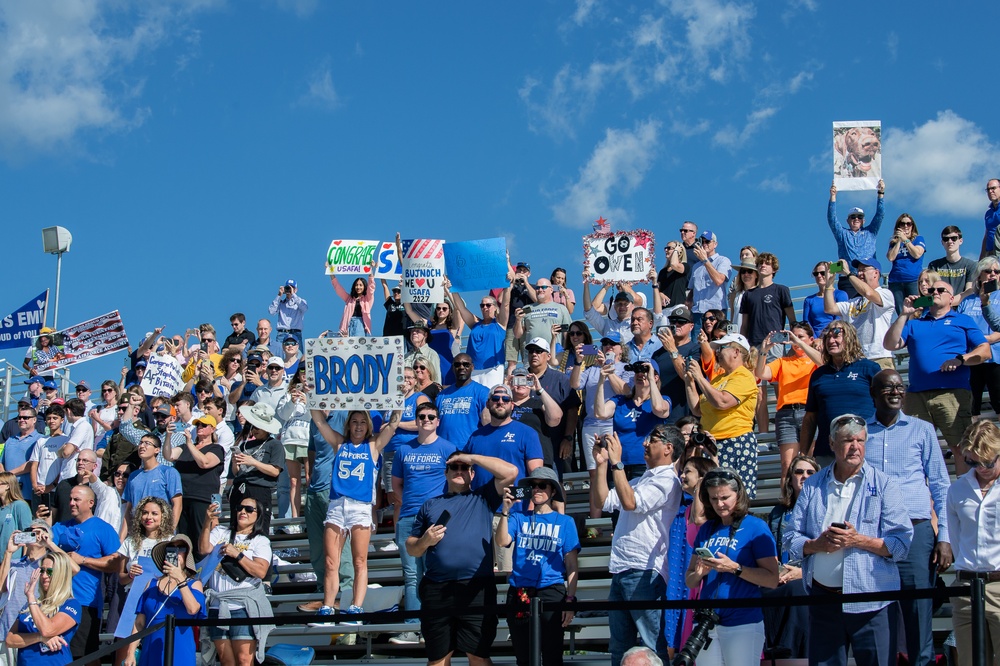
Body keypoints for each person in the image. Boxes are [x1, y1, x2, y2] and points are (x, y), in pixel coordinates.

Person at [785, 414, 913, 666]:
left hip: (872, 601)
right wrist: (815, 545)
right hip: (823, 601)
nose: (855, 446)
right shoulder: (812, 486)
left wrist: (858, 540)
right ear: (831, 444)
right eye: (847, 440)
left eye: (860, 440)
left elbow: (901, 545)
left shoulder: (885, 485)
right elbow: (790, 539)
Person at [865, 369, 952, 666]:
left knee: (918, 616)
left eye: (900, 387)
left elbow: (941, 486)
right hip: (875, 536)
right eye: (888, 387)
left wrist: (944, 538)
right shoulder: (862, 434)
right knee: (880, 617)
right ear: (873, 393)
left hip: (916, 532)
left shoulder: (923, 429)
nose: (896, 392)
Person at [406, 452, 518, 666]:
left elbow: (511, 472)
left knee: (478, 656)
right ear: (446, 473)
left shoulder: (484, 497)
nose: (459, 471)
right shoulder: (429, 505)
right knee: (438, 659)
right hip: (437, 588)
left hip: (477, 588)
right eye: (454, 467)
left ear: (472, 474)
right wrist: (425, 541)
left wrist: (470, 457)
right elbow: (412, 548)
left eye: (464, 468)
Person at [591, 426, 682, 666]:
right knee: (619, 647)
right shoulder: (641, 479)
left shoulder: (668, 480)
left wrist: (617, 462)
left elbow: (631, 503)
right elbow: (603, 500)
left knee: (652, 644)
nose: (644, 444)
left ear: (668, 448)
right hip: (622, 568)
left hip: (645, 569)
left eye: (651, 439)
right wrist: (601, 464)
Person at [883, 280, 991, 474]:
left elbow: (984, 351)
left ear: (952, 298)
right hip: (917, 396)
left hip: (951, 393)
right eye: (931, 290)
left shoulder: (962, 320)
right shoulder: (915, 323)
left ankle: (963, 497)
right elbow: (890, 344)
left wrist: (961, 359)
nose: (935, 292)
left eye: (941, 290)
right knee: (916, 450)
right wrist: (904, 315)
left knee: (960, 447)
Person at [309, 409, 400, 622]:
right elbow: (320, 422)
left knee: (359, 560)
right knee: (331, 562)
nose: (358, 426)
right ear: (348, 425)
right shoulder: (339, 444)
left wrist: (399, 401)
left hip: (360, 507)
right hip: (337, 505)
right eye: (354, 422)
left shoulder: (373, 446)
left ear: (368, 425)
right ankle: (327, 606)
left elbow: (394, 424)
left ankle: (356, 606)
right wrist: (311, 398)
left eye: (362, 422)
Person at [685, 467, 779, 666]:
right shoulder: (706, 530)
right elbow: (690, 580)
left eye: (725, 497)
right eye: (713, 499)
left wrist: (735, 568)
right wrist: (700, 573)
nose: (719, 504)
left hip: (743, 620)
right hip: (706, 621)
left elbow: (772, 579)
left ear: (739, 494)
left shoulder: (756, 526)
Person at [496, 467, 580, 666]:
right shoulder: (518, 517)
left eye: (543, 485)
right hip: (519, 591)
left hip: (552, 590)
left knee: (552, 656)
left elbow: (571, 564)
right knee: (523, 657)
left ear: (552, 492)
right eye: (533, 486)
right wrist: (505, 511)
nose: (537, 490)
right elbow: (501, 541)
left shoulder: (565, 522)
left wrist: (570, 599)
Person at [390, 402, 456, 645]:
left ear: (438, 421)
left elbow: (455, 482)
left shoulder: (448, 448)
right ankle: (412, 627)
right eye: (422, 416)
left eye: (431, 416)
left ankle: (435, 626)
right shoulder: (404, 450)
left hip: (436, 519)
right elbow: (396, 483)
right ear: (416, 420)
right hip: (408, 517)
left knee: (433, 573)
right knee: (411, 575)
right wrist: (409, 502)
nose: (426, 419)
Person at [464, 384, 544, 572]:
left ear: (512, 405)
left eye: (505, 399)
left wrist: (531, 510)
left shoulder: (526, 432)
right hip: (480, 515)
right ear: (488, 403)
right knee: (479, 574)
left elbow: (537, 477)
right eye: (496, 398)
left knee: (509, 573)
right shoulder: (476, 436)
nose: (500, 402)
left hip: (513, 515)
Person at [947, 420, 1000, 665]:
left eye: (987, 462)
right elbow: (956, 539)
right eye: (972, 461)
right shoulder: (957, 490)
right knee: (969, 661)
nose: (980, 468)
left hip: (999, 584)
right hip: (966, 586)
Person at [200, 496, 274, 666]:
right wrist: (207, 522)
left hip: (243, 606)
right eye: (240, 508)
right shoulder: (221, 532)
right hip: (218, 605)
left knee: (244, 660)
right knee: (226, 661)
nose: (243, 512)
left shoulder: (260, 540)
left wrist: (238, 554)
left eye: (249, 509)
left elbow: (261, 571)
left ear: (258, 515)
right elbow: (204, 549)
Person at [50, 485, 121, 663]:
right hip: (57, 600)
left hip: (85, 601)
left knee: (85, 655)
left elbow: (116, 564)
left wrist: (83, 560)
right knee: (58, 653)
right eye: (70, 499)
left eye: (76, 499)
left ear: (91, 503)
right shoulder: (60, 527)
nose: (71, 503)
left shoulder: (102, 528)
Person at [684, 332, 760, 496]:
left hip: (735, 442)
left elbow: (722, 402)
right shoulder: (719, 379)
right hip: (713, 443)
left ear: (736, 352)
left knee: (733, 496)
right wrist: (689, 382)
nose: (717, 352)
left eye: (722, 347)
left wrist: (699, 377)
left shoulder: (744, 376)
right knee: (713, 496)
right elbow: (698, 409)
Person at [799, 322, 880, 467]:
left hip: (865, 451)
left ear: (849, 338)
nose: (831, 341)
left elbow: (883, 408)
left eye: (837, 336)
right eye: (827, 338)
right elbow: (810, 418)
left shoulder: (869, 368)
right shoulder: (819, 375)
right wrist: (803, 454)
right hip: (827, 452)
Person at [763, 454, 819, 660]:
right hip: (782, 574)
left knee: (797, 590)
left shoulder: (824, 510)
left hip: (813, 575)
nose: (804, 476)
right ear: (790, 479)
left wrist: (802, 572)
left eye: (810, 472)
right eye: (799, 472)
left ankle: (795, 654)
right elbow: (770, 551)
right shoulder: (778, 513)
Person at [0, 521, 79, 665]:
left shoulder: (50, 564)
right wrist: (8, 552)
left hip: (38, 624)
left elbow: (73, 568)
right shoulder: (14, 563)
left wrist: (49, 544)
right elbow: (0, 588)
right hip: (11, 630)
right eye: (31, 531)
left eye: (40, 531)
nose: (44, 575)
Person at [122, 534, 206, 666]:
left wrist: (180, 580)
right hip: (151, 647)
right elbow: (139, 622)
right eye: (172, 549)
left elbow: (192, 609)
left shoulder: (194, 584)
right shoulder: (151, 584)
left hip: (180, 648)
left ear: (187, 555)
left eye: (181, 549)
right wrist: (130, 652)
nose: (177, 553)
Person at [571, 332, 629, 518]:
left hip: (613, 424)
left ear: (621, 348)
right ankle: (594, 525)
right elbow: (575, 384)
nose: (609, 347)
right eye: (605, 343)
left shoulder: (626, 368)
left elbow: (626, 391)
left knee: (615, 471)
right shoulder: (591, 369)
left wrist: (608, 369)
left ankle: (618, 516)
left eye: (613, 344)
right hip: (590, 425)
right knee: (594, 475)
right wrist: (579, 362)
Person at [754, 324, 819, 480]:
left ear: (811, 339)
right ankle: (788, 503)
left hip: (809, 412)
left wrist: (800, 342)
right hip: (786, 414)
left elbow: (824, 363)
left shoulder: (815, 360)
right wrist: (764, 350)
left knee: (812, 463)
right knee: (787, 466)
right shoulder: (783, 361)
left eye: (800, 336)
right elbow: (761, 373)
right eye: (792, 337)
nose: (795, 340)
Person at [594, 361, 669, 479]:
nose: (640, 374)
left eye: (645, 371)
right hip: (618, 462)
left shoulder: (663, 400)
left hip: (646, 463)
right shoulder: (620, 400)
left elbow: (659, 409)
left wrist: (650, 379)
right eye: (637, 372)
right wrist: (601, 381)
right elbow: (600, 413)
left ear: (655, 377)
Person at [166, 415, 224, 552]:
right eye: (198, 425)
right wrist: (168, 437)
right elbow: (168, 455)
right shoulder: (186, 447)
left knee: (199, 537)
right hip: (182, 498)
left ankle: (200, 568)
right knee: (183, 539)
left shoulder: (216, 448)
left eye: (204, 425)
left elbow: (205, 463)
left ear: (212, 429)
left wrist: (190, 444)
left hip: (201, 499)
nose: (200, 427)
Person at [824, 257, 895, 368]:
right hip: (856, 358)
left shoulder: (885, 294)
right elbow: (830, 308)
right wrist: (829, 284)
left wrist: (847, 273)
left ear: (876, 273)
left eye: (863, 270)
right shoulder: (854, 302)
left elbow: (868, 293)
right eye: (858, 270)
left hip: (879, 356)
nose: (859, 273)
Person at [956, 256, 1000, 418]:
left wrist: (984, 340)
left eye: (997, 271)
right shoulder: (967, 301)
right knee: (970, 408)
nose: (993, 274)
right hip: (971, 358)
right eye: (988, 271)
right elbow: (958, 328)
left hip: (995, 357)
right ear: (979, 275)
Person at [230, 403, 284, 533]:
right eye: (252, 426)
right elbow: (237, 472)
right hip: (241, 487)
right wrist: (235, 462)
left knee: (259, 528)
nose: (254, 430)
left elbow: (275, 471)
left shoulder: (275, 445)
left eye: (258, 427)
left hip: (259, 489)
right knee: (236, 527)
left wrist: (254, 462)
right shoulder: (245, 445)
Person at [827, 179, 886, 297]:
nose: (856, 219)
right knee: (850, 311)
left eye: (859, 217)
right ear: (848, 220)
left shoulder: (871, 232)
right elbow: (832, 219)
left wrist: (881, 194)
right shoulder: (842, 234)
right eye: (853, 217)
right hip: (848, 279)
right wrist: (833, 196)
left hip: (868, 277)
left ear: (863, 220)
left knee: (870, 309)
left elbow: (880, 215)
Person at [451, 286, 510, 387]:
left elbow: (505, 305)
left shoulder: (500, 323)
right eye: (482, 305)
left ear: (495, 307)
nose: (485, 308)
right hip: (473, 369)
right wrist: (452, 289)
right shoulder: (475, 323)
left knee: (491, 397)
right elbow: (461, 308)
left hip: (493, 368)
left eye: (488, 305)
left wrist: (508, 287)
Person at [122, 433, 182, 531]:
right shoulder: (133, 476)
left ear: (157, 450)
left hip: (161, 531)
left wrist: (170, 531)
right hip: (138, 533)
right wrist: (122, 537)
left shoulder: (168, 472)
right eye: (140, 443)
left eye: (147, 443)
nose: (142, 446)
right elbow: (129, 509)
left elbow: (177, 504)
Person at [652, 306, 701, 422]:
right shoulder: (657, 354)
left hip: (686, 416)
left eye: (682, 322)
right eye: (673, 321)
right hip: (662, 415)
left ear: (691, 326)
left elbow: (688, 377)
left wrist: (673, 350)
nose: (677, 324)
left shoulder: (696, 350)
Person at [740, 252, 795, 349]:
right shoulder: (748, 294)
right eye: (760, 263)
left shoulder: (781, 290)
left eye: (767, 263)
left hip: (775, 342)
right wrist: (742, 345)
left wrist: (794, 345)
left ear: (774, 269)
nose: (763, 265)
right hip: (754, 344)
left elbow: (792, 320)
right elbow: (744, 325)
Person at [435, 354, 490, 448]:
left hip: (470, 450)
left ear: (472, 367)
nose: (461, 367)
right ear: (452, 368)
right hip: (444, 450)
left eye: (466, 364)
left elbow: (488, 425)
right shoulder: (442, 395)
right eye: (457, 365)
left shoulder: (483, 392)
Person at [513, 277, 571, 353]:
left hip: (554, 354)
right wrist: (518, 320)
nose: (540, 290)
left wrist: (568, 352)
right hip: (532, 355)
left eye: (543, 287)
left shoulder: (561, 308)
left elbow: (568, 333)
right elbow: (517, 335)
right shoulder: (526, 308)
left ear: (551, 290)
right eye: (537, 287)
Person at [688, 231, 732, 331]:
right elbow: (692, 289)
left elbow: (719, 280)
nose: (704, 244)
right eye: (702, 241)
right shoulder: (696, 266)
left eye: (707, 241)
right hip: (697, 314)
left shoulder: (723, 260)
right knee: (697, 344)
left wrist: (705, 260)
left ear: (715, 244)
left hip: (716, 312)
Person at [886, 213, 926, 315]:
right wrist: (899, 241)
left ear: (912, 226)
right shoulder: (894, 243)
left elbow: (917, 254)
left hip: (913, 280)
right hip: (896, 282)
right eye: (902, 224)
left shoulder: (918, 239)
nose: (906, 226)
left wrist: (906, 240)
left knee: (917, 311)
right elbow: (891, 257)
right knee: (901, 312)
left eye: (909, 224)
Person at [1, 406, 42, 502]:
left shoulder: (40, 439)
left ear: (34, 420)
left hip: (26, 494)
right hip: (7, 493)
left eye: (26, 418)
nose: (21, 420)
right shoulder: (10, 439)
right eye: (19, 418)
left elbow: (32, 464)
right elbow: (1, 462)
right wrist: (4, 476)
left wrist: (9, 475)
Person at [802, 261, 849, 337]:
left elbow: (839, 319)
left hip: (835, 336)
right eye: (816, 274)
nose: (819, 276)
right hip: (815, 341)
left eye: (822, 273)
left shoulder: (840, 295)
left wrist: (827, 337)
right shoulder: (809, 300)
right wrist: (815, 339)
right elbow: (807, 323)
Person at [928, 226, 977, 296]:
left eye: (954, 238)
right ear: (942, 242)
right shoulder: (934, 265)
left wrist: (950, 302)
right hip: (940, 305)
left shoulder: (971, 265)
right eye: (946, 239)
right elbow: (932, 290)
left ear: (960, 241)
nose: (950, 241)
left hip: (962, 305)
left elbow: (969, 291)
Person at [0, 473, 31, 562]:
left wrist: (24, 560)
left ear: (8, 486)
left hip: (13, 561)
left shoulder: (20, 505)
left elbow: (27, 534)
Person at [268, 278, 308, 344]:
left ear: (296, 290)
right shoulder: (281, 303)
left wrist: (293, 295)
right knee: (280, 353)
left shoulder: (300, 302)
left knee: (298, 354)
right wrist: (279, 295)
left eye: (292, 287)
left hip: (296, 333)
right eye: (288, 287)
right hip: (282, 334)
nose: (289, 289)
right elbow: (271, 311)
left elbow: (305, 308)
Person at [405, 321, 443, 386]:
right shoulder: (406, 356)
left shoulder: (432, 354)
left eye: (418, 331)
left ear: (425, 335)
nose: (414, 333)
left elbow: (437, 379)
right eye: (412, 331)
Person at [656, 240, 687, 312]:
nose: (666, 250)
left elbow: (674, 264)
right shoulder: (662, 272)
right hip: (664, 309)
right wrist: (660, 294)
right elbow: (657, 288)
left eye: (669, 248)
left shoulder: (685, 266)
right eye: (666, 248)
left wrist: (676, 251)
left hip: (678, 307)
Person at [982, 178, 1000, 259]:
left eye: (993, 188)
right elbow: (987, 235)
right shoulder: (988, 214)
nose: (990, 191)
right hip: (990, 254)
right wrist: (981, 259)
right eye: (988, 189)